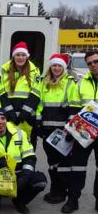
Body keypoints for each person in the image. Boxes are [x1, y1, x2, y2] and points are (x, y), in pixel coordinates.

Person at [0, 108, 47, 214]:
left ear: (7, 120)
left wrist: (26, 175)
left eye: (3, 118)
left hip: (18, 173)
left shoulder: (20, 134)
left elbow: (29, 156)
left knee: (40, 181)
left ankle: (19, 201)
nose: (0, 122)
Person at [36, 54, 80, 204]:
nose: (56, 68)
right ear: (50, 67)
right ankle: (56, 188)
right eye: (54, 65)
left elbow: (74, 106)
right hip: (47, 130)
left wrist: (69, 128)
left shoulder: (70, 83)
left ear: (64, 67)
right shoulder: (44, 82)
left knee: (64, 162)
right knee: (52, 162)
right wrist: (38, 123)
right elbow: (39, 105)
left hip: (63, 131)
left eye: (59, 65)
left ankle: (61, 191)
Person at [62, 51, 98, 214]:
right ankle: (73, 200)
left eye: (96, 61)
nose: (93, 65)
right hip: (84, 132)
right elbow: (74, 107)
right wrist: (71, 127)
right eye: (89, 63)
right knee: (77, 166)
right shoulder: (81, 83)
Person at [0, 41, 41, 142]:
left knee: (28, 148)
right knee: (10, 146)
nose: (20, 57)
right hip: (9, 116)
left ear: (27, 56)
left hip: (28, 116)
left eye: (23, 55)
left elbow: (36, 93)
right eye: (18, 55)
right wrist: (10, 112)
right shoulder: (5, 70)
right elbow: (1, 92)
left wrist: (25, 112)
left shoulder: (35, 71)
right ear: (13, 56)